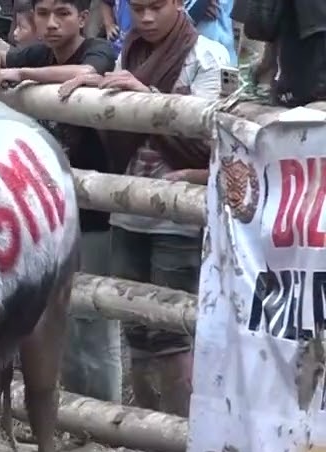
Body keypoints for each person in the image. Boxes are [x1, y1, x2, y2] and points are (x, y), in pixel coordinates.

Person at [59, 0, 227, 417]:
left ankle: (177, 439)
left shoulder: (208, 56)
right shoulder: (128, 50)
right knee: (135, 324)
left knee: (172, 330)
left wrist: (146, 97)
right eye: (139, 8)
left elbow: (211, 135)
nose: (147, 18)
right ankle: (142, 438)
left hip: (179, 211)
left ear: (176, 4)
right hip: (128, 200)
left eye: (156, 7)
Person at [0, 0, 123, 404]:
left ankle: (104, 417)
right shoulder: (39, 52)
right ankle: (73, 416)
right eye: (43, 15)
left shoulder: (97, 49)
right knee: (59, 316)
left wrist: (16, 73)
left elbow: (86, 73)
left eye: (63, 14)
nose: (52, 24)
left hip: (93, 210)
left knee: (95, 318)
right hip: (47, 212)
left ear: (81, 17)